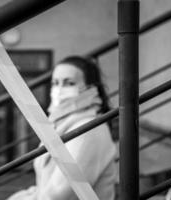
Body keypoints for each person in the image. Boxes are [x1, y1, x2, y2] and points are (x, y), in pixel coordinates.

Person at [7, 56, 117, 200]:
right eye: (55, 83)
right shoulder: (64, 123)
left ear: (90, 88)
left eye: (69, 83)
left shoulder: (87, 130)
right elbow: (46, 188)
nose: (59, 90)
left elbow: (59, 195)